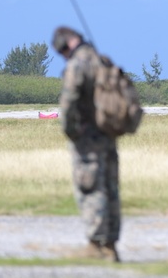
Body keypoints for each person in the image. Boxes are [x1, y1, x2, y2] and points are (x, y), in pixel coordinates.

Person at [53, 26, 121, 262]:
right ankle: (111, 245)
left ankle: (96, 245)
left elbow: (69, 102)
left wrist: (71, 132)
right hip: (108, 136)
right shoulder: (103, 60)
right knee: (110, 189)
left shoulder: (77, 65)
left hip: (87, 140)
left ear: (66, 46)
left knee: (91, 188)